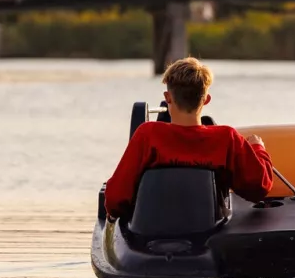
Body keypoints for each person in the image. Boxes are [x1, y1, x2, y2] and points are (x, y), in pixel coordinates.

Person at [103, 57, 274, 219]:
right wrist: (258, 149)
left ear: (168, 97)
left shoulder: (147, 135)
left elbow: (115, 200)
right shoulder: (226, 138)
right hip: (209, 230)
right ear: (206, 100)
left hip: (151, 231)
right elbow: (259, 188)